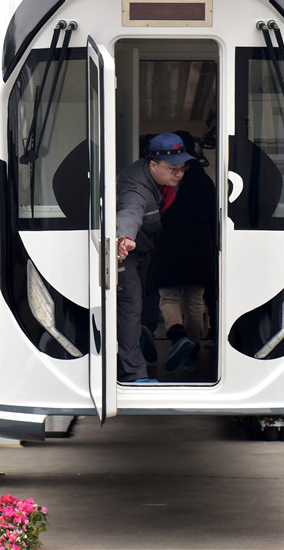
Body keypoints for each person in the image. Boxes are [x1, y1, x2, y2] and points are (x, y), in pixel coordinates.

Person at [116, 132, 194, 384]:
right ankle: (134, 373)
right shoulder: (135, 187)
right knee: (130, 308)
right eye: (173, 169)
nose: (179, 174)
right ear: (153, 165)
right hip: (127, 252)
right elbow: (130, 212)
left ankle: (139, 340)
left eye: (183, 168)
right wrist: (123, 239)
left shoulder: (164, 178)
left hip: (146, 250)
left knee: (144, 301)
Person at [150, 131, 217, 373]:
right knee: (195, 301)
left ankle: (178, 339)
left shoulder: (162, 177)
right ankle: (194, 347)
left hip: (168, 244)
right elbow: (213, 216)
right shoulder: (204, 180)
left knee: (169, 298)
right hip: (200, 246)